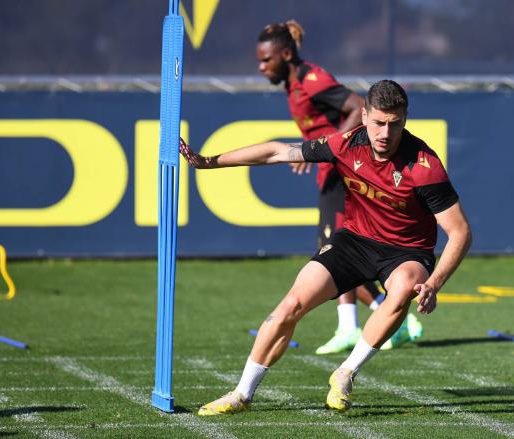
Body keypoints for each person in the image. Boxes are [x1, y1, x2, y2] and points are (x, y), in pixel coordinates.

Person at [179, 79, 472, 415]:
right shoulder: (345, 144)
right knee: (291, 304)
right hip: (354, 242)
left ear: (405, 120)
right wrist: (207, 162)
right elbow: (276, 152)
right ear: (364, 116)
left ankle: (346, 372)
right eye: (378, 122)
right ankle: (241, 394)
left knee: (404, 287)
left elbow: (460, 232)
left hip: (406, 251)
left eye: (395, 124)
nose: (385, 133)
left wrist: (434, 284)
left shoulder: (424, 166)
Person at [256, 20, 423, 354]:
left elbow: (355, 104)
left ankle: (397, 320)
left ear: (286, 54)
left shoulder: (311, 79)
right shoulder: (293, 85)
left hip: (344, 173)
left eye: (266, 60)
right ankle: (350, 325)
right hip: (330, 176)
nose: (262, 67)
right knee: (334, 252)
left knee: (336, 253)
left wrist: (324, 146)